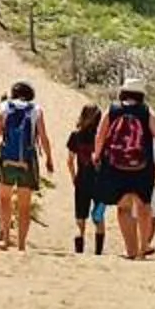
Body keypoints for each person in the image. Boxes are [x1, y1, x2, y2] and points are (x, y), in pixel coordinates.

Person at [97, 75, 155, 260]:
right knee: (144, 206)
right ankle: (143, 248)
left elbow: (101, 135)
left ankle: (130, 249)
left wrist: (97, 155)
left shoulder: (111, 110)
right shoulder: (147, 113)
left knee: (123, 207)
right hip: (142, 167)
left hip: (116, 166)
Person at [0, 81, 50, 251]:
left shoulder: (5, 107)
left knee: (4, 199)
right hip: (27, 160)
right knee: (24, 206)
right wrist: (49, 158)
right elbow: (43, 137)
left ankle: (5, 239)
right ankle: (21, 244)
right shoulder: (36, 110)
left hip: (6, 159)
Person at [64, 101, 113, 255]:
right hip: (99, 182)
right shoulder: (103, 137)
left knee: (80, 219)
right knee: (99, 217)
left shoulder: (75, 136)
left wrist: (74, 177)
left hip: (82, 180)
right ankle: (98, 252)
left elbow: (70, 160)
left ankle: (79, 250)